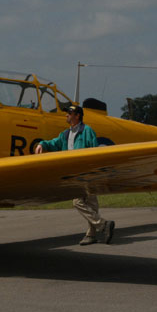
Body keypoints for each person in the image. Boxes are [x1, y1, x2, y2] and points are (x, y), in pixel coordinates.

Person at [35, 105, 115, 245]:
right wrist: (42, 144)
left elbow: (94, 151)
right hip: (75, 175)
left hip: (87, 173)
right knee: (85, 203)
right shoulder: (65, 134)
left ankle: (99, 227)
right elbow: (54, 143)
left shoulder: (87, 131)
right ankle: (97, 230)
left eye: (69, 113)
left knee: (83, 203)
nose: (66, 115)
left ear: (77, 116)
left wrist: (93, 171)